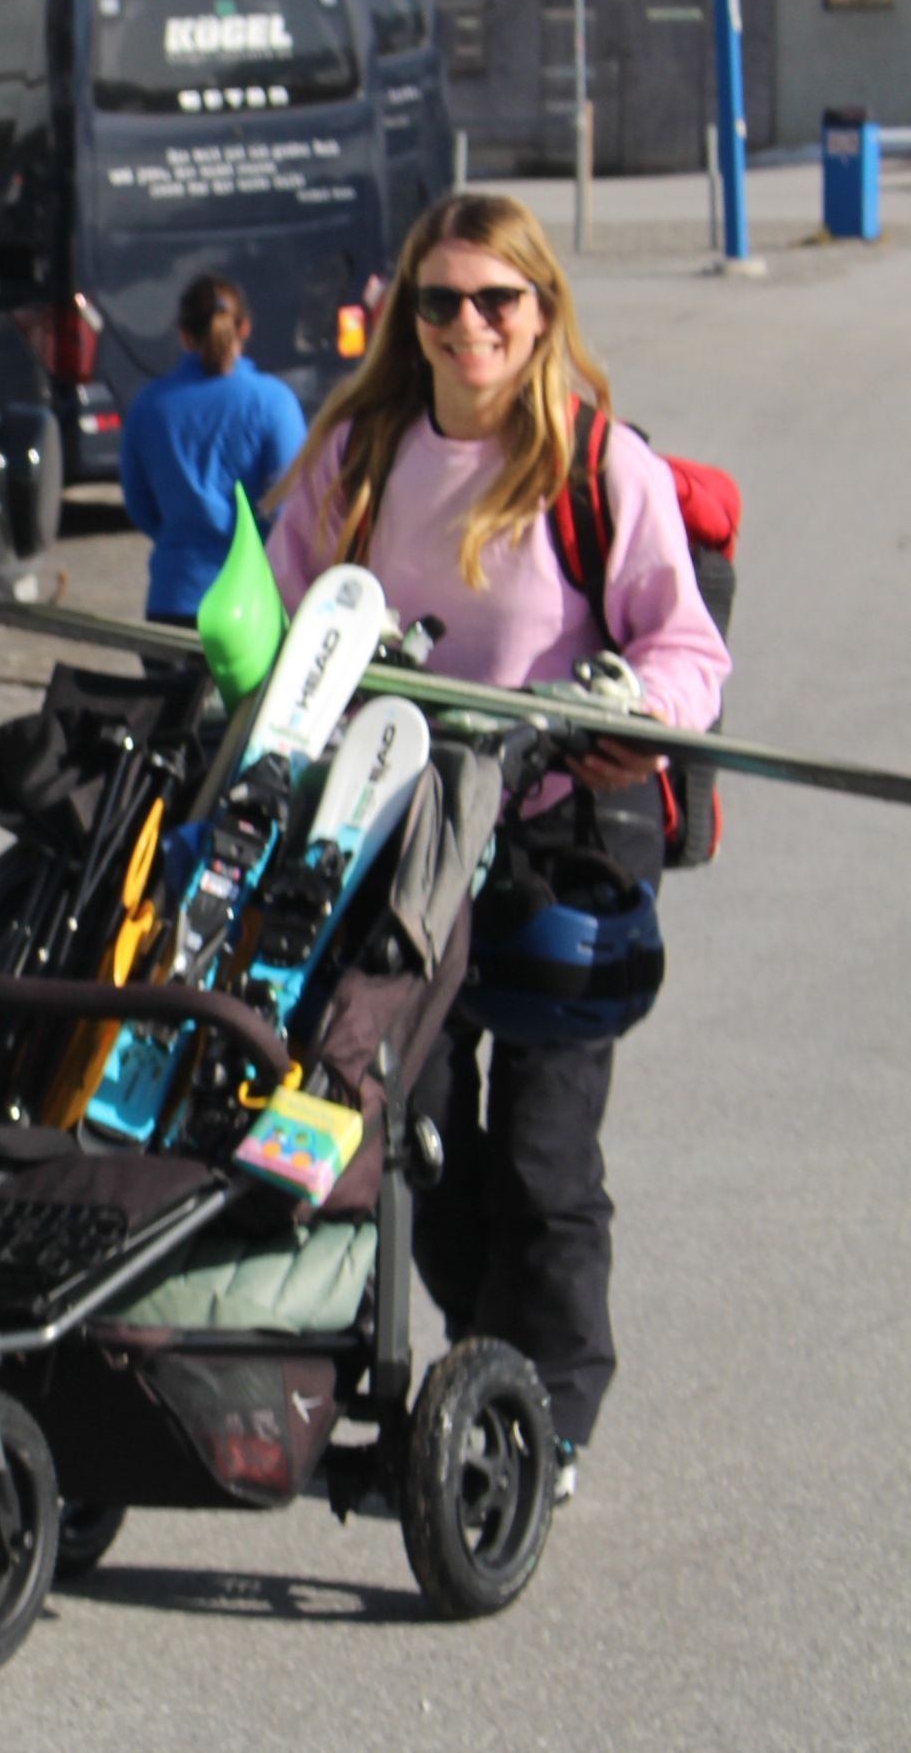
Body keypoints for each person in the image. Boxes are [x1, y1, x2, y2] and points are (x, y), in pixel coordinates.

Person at [262, 192, 731, 1499]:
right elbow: (284, 616)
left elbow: (684, 646)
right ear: (406, 314)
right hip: (397, 831)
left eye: (495, 302)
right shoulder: (357, 454)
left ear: (540, 314)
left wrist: (641, 715)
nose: (468, 326)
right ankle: (494, 1363)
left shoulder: (594, 466)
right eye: (440, 301)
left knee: (541, 1149)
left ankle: (555, 1407)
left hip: (552, 834)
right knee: (403, 1123)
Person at [120, 273, 307, 629]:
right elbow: (292, 508)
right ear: (245, 328)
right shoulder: (273, 402)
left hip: (172, 599)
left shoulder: (148, 405)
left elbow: (139, 506)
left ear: (183, 334)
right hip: (250, 608)